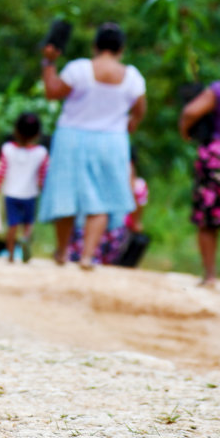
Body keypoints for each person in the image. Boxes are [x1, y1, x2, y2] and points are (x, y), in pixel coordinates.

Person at [39, 21, 147, 269]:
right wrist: (129, 124)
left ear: (95, 45)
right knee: (102, 199)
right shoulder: (132, 77)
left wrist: (48, 63)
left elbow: (53, 91)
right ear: (122, 48)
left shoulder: (79, 69)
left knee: (66, 194)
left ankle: (63, 252)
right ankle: (87, 256)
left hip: (72, 137)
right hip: (112, 141)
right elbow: (139, 111)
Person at [179, 48, 220, 286]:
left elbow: (190, 111)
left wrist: (185, 131)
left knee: (208, 220)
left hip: (218, 160)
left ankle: (210, 276)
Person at [68, 148, 149, 266]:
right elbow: (136, 209)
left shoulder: (97, 173)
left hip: (87, 224)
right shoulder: (138, 184)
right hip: (117, 228)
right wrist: (136, 223)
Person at [0, 112, 49, 263]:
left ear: (15, 130)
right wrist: (42, 188)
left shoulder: (7, 149)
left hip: (11, 193)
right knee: (28, 223)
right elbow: (43, 175)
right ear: (38, 133)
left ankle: (11, 255)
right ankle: (26, 240)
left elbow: (1, 172)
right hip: (30, 194)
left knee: (12, 225)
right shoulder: (41, 153)